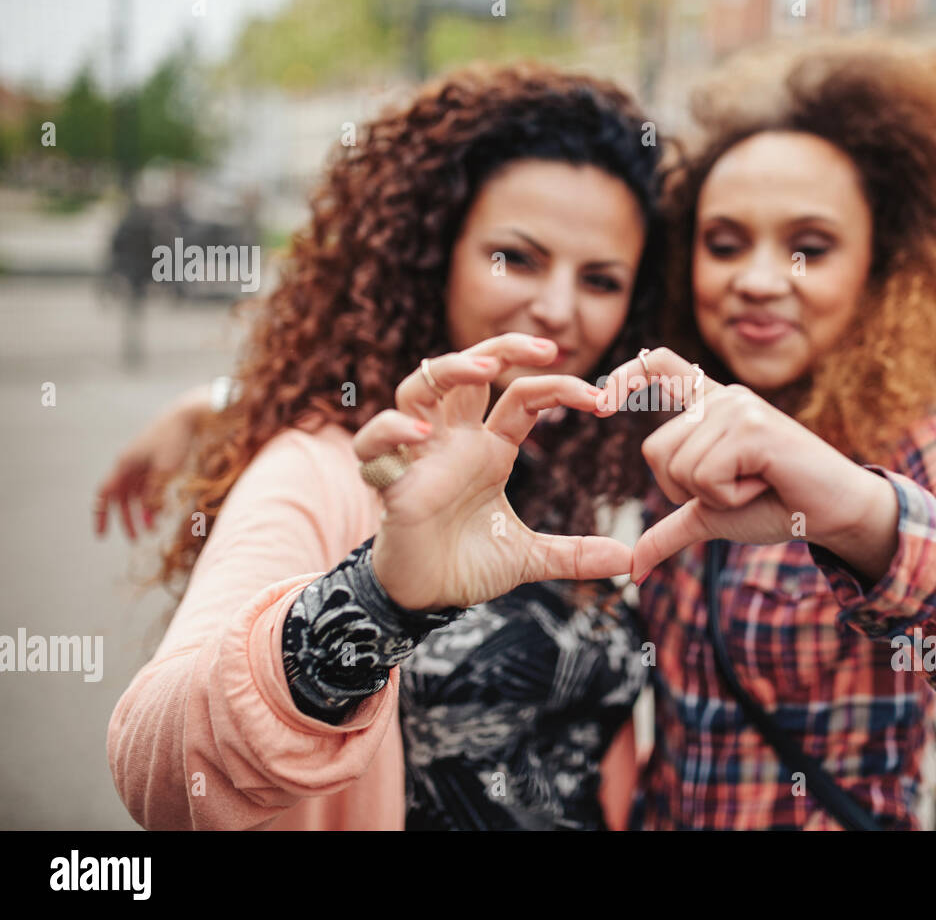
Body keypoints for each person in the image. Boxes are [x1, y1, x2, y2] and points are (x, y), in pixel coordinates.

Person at [590, 38, 936, 829]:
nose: (758, 278)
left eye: (809, 247)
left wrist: (861, 515)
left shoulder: (921, 437)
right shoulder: (678, 412)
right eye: (725, 242)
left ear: (883, 270)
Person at [105, 63, 665, 830]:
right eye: (518, 258)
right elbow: (161, 771)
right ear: (432, 253)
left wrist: (214, 404)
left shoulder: (574, 462)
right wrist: (377, 600)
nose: (559, 309)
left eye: (601, 279)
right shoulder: (321, 470)